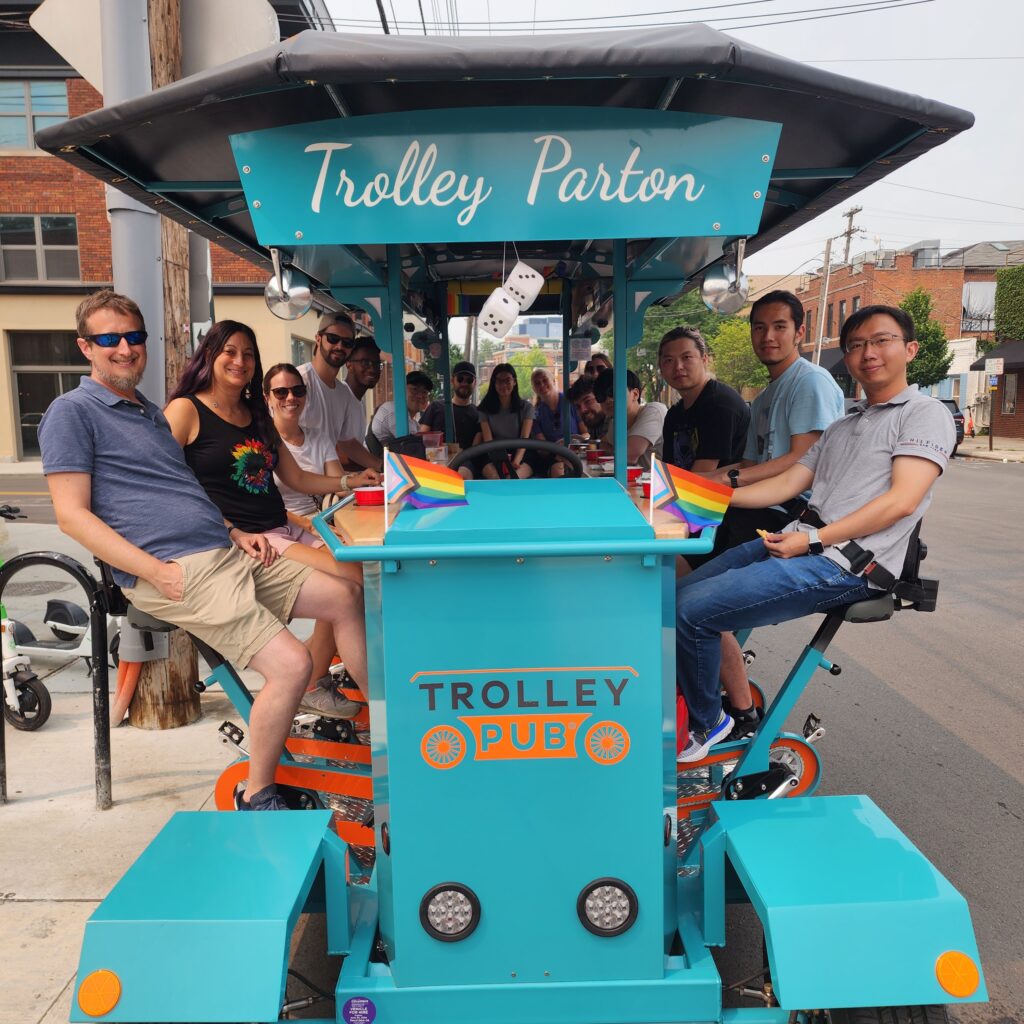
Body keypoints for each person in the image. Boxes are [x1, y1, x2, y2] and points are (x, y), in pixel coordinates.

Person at [39, 290, 369, 811]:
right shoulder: (72, 412)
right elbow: (71, 515)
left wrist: (235, 532)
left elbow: (185, 486)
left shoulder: (145, 411)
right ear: (86, 347)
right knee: (290, 666)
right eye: (109, 339)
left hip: (227, 549)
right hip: (179, 568)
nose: (124, 348)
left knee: (347, 595)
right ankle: (256, 792)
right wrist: (155, 572)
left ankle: (389, 720)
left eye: (133, 337)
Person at [675, 304, 955, 762]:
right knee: (675, 595)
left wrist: (813, 540)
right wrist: (694, 495)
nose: (868, 353)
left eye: (881, 341)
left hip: (844, 564)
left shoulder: (924, 414)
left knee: (690, 610)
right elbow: (786, 484)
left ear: (910, 348)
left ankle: (712, 725)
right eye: (856, 345)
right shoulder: (846, 422)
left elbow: (901, 500)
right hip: (798, 543)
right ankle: (706, 703)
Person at [163, 322, 377, 715]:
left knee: (363, 579)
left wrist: (349, 480)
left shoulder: (256, 414)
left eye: (247, 353)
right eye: (229, 351)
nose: (239, 360)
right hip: (250, 540)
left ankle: (328, 680)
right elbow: (166, 483)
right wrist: (230, 530)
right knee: (348, 590)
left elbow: (295, 477)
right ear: (209, 354)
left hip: (284, 526)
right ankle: (381, 707)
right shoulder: (185, 410)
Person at [298, 311, 381, 472]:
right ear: (318, 338)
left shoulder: (343, 393)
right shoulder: (300, 382)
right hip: (297, 491)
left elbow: (348, 443)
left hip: (328, 487)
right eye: (333, 339)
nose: (340, 346)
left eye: (347, 343)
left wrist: (382, 466)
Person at [659, 327, 749, 473]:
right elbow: (669, 472)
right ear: (661, 368)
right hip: (685, 491)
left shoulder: (721, 404)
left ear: (704, 359)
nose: (678, 367)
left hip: (725, 494)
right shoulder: (674, 415)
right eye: (669, 360)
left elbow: (702, 475)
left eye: (686, 357)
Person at [592, 368, 667, 470]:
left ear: (635, 394)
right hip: (633, 484)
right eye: (601, 397)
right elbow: (603, 443)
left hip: (659, 484)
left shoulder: (654, 411)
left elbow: (629, 456)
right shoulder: (615, 422)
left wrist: (610, 449)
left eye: (613, 393)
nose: (608, 400)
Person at [419, 359, 481, 478]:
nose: (464, 383)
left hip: (465, 461)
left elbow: (475, 450)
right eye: (460, 379)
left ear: (474, 383)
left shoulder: (478, 413)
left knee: (462, 475)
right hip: (435, 460)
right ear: (452, 381)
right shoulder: (435, 407)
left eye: (469, 380)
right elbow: (422, 438)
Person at [477, 362, 535, 478]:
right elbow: (489, 441)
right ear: (494, 383)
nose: (504, 385)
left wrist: (516, 462)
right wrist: (498, 463)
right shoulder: (484, 409)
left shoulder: (526, 408)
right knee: (497, 479)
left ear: (514, 382)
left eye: (507, 380)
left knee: (513, 480)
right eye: (499, 381)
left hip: (521, 453)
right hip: (493, 453)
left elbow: (524, 438)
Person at [530, 366, 579, 477]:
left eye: (545, 380)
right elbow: (543, 449)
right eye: (537, 383)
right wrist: (559, 449)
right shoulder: (535, 414)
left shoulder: (570, 402)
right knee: (558, 470)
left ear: (553, 380)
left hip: (577, 452)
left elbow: (586, 433)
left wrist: (572, 445)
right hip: (554, 457)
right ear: (534, 388)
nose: (542, 385)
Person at [369, 370, 433, 448]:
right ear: (402, 390)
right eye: (414, 389)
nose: (420, 396)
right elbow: (413, 448)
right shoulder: (394, 411)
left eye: (424, 392)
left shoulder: (412, 422)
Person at [343, 337, 383, 409]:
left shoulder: (359, 403)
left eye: (377, 364)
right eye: (365, 363)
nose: (372, 369)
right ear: (349, 365)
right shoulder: (338, 398)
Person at [567, 376, 606, 440]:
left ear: (601, 397)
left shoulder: (615, 424)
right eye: (578, 406)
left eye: (588, 401)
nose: (582, 410)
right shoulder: (595, 425)